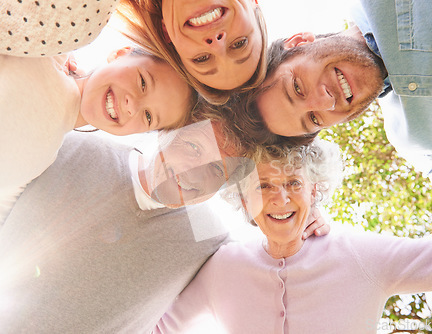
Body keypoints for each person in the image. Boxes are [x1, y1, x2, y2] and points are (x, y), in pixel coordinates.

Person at [0, 119, 327, 333]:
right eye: (193, 148)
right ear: (169, 130)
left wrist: (305, 218)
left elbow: (269, 263)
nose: (194, 173)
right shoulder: (70, 146)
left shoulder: (207, 237)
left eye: (217, 171)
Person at [154, 139, 432, 334]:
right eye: (264, 186)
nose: (282, 198)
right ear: (244, 199)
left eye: (293, 183)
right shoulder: (223, 268)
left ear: (314, 191)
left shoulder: (362, 256)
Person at [248, 0, 432, 234]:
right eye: (314, 118)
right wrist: (310, 239)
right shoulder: (416, 138)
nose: (326, 101)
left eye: (297, 87)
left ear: (298, 43)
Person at [0, 45, 196, 223]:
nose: (132, 106)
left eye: (148, 116)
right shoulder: (49, 50)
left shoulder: (43, 157)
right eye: (143, 82)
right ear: (121, 53)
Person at [0, 0, 268, 104]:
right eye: (239, 44)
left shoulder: (78, 18)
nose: (218, 43)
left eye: (201, 59)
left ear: (166, 33)